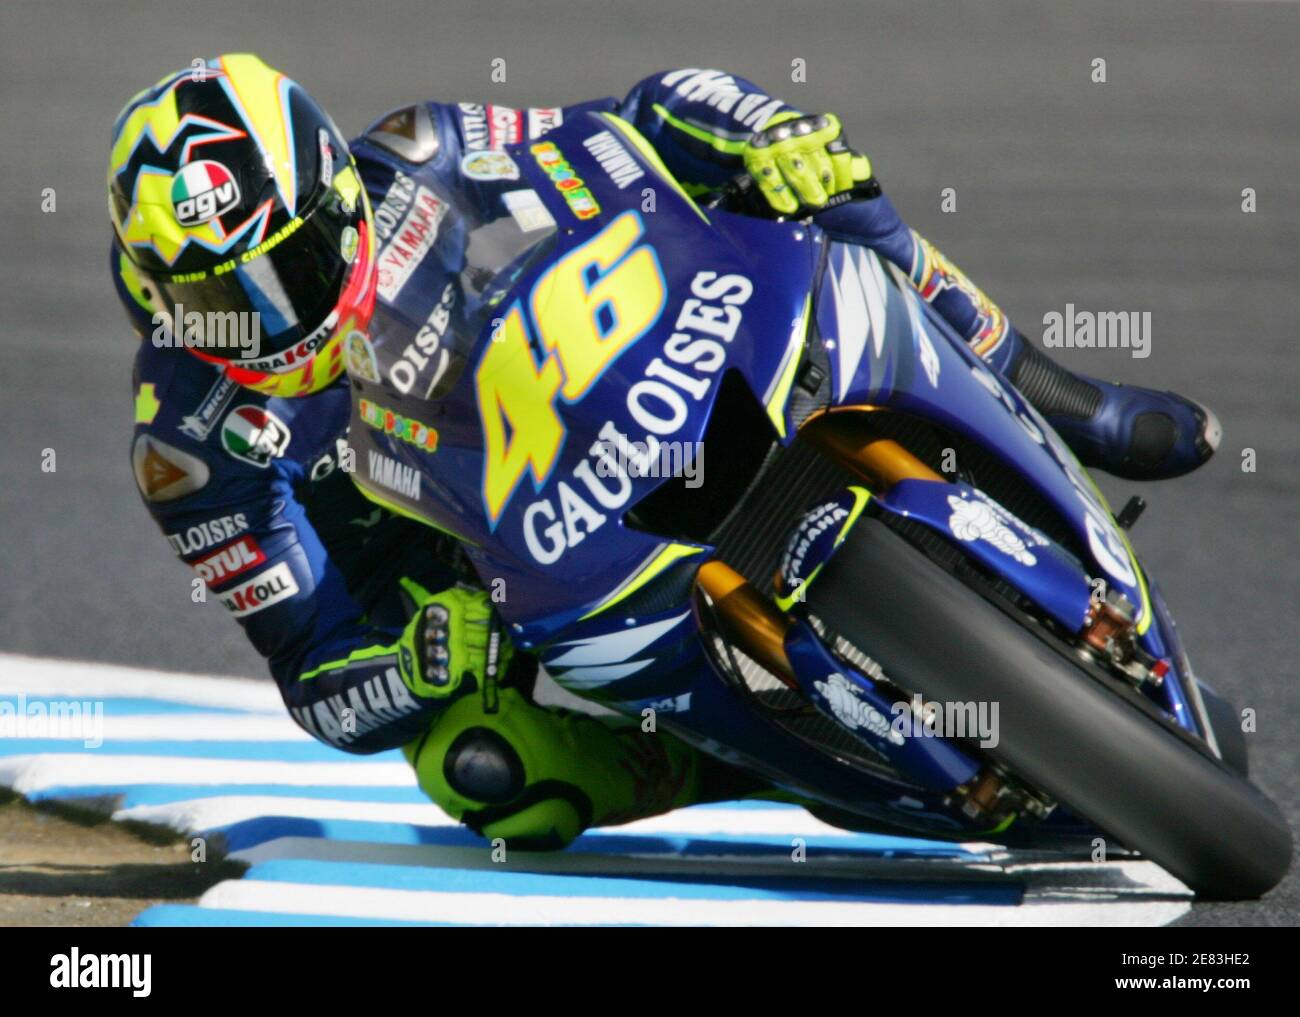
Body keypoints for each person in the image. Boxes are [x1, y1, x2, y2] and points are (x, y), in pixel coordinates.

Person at [109, 57, 1219, 848]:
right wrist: (412, 664)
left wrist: (749, 136)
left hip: (643, 383)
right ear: (158, 296)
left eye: (287, 268)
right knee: (488, 778)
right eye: (217, 297)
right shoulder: (190, 447)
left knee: (816, 178)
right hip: (502, 594)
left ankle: (1055, 393)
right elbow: (313, 680)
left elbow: (639, 120)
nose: (262, 318)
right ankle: (746, 768)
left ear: (335, 197)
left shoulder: (423, 152)